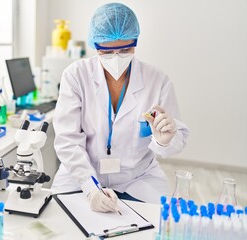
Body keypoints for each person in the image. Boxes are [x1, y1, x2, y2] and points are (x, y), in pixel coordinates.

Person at [51, 2, 190, 213]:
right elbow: (67, 141)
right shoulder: (75, 75)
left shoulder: (157, 81)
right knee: (60, 219)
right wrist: (90, 188)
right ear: (95, 44)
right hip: (81, 174)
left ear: (135, 42)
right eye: (107, 52)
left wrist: (165, 140)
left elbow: (178, 140)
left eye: (125, 49)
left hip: (138, 177)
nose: (116, 58)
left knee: (159, 222)